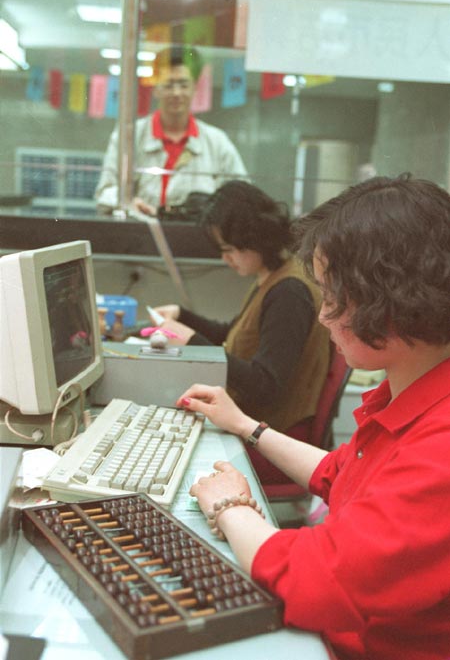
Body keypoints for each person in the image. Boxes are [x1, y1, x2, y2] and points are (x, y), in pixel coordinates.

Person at [175, 174, 450, 660]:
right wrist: (245, 426)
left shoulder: (440, 446)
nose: (323, 317)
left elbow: (315, 580)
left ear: (389, 298)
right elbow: (337, 472)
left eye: (332, 296)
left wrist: (230, 509)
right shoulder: (412, 395)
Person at [152, 179, 330, 483]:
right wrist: (183, 316)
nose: (225, 259)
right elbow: (235, 333)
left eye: (230, 249)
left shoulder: (289, 292)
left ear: (255, 238)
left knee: (164, 456)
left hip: (275, 438)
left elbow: (265, 385)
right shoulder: (273, 276)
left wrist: (193, 341)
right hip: (261, 426)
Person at [95, 45, 247, 215]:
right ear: (155, 88)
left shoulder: (217, 142)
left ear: (195, 87)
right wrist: (128, 201)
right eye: (168, 84)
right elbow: (104, 192)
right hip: (140, 235)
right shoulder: (129, 137)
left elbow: (242, 198)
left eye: (183, 84)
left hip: (197, 239)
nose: (176, 93)